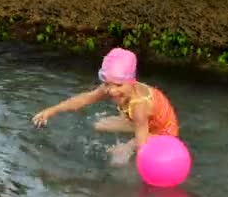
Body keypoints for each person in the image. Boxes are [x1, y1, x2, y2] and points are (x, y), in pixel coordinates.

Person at [31, 47, 179, 165]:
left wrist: (133, 156)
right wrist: (51, 110)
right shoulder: (113, 86)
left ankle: (126, 145)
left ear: (132, 81)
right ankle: (129, 125)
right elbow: (83, 99)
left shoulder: (140, 107)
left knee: (117, 159)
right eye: (108, 84)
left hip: (163, 133)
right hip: (142, 121)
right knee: (98, 125)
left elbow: (142, 147)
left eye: (119, 85)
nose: (112, 91)